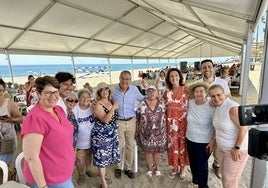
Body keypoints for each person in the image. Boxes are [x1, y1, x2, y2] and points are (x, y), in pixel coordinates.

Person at [21, 76, 75, 188]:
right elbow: (31, 157)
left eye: (56, 92)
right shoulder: (35, 118)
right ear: (39, 93)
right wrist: (43, 186)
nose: (53, 97)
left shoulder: (58, 110)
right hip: (49, 179)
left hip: (63, 172)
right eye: (48, 93)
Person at [209, 84, 248, 188]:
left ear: (224, 94)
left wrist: (237, 147)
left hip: (234, 151)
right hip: (222, 149)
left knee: (229, 181)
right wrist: (214, 140)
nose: (216, 98)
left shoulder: (232, 107)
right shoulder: (218, 106)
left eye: (219, 95)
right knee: (227, 179)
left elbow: (244, 128)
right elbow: (219, 128)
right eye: (213, 96)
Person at [199, 59, 231, 178]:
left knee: (218, 141)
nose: (207, 69)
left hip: (220, 115)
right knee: (205, 141)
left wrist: (217, 101)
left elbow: (229, 98)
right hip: (204, 117)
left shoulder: (222, 82)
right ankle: (203, 166)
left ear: (213, 68)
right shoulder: (198, 82)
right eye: (204, 67)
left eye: (209, 67)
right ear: (201, 69)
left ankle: (216, 165)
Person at [112, 70, 144, 179]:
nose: (125, 81)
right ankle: (118, 167)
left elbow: (143, 99)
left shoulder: (134, 90)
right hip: (118, 122)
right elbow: (104, 100)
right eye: (123, 78)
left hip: (131, 121)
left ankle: (128, 168)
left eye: (127, 79)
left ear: (130, 80)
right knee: (119, 146)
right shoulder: (113, 91)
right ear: (119, 79)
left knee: (130, 146)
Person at [186, 82, 215, 188]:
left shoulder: (211, 105)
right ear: (193, 93)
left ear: (206, 92)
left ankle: (203, 186)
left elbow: (216, 125)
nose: (199, 93)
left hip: (204, 141)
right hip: (190, 138)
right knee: (192, 162)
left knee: (202, 164)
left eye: (201, 91)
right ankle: (195, 180)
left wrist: (213, 140)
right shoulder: (191, 102)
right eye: (196, 91)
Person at [91, 82, 120, 188]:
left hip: (111, 133)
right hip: (100, 135)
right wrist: (113, 108)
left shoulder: (111, 101)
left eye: (106, 89)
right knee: (101, 159)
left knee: (106, 157)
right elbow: (105, 119)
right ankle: (104, 183)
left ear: (109, 91)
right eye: (102, 90)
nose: (104, 91)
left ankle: (101, 173)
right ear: (99, 92)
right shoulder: (98, 104)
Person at [163, 68, 189, 180]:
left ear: (180, 77)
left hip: (183, 123)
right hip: (170, 125)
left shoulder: (186, 89)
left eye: (176, 75)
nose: (174, 78)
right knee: (173, 146)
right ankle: (175, 168)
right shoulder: (166, 92)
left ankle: (182, 169)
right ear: (168, 79)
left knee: (182, 146)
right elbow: (163, 106)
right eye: (171, 76)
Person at [136, 85, 167, 178]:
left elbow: (167, 115)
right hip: (146, 133)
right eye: (149, 91)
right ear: (146, 93)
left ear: (157, 93)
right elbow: (138, 117)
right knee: (148, 151)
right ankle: (150, 168)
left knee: (157, 152)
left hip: (160, 132)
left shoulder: (162, 103)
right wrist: (137, 129)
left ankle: (157, 168)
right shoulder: (142, 104)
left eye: (153, 91)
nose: (152, 93)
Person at [72, 89, 95, 185]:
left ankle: (88, 169)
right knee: (80, 158)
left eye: (87, 97)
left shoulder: (93, 107)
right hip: (79, 140)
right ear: (79, 98)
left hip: (91, 138)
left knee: (89, 154)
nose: (85, 99)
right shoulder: (75, 109)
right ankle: (81, 174)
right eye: (83, 97)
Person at [0, 79, 23, 165]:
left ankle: (11, 173)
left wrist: (11, 120)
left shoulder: (9, 103)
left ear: (4, 90)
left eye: (0, 90)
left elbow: (21, 119)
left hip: (7, 141)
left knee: (3, 167)